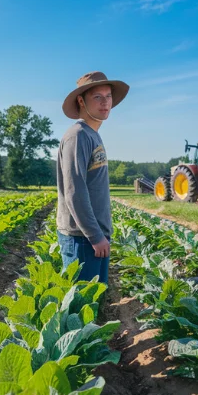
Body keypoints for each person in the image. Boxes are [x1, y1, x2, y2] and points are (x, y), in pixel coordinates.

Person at [56, 71, 130, 285]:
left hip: (93, 237)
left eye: (108, 96)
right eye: (97, 97)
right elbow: (74, 191)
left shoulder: (92, 134)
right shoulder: (77, 136)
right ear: (81, 100)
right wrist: (95, 236)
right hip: (83, 238)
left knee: (94, 305)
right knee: (81, 309)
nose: (105, 102)